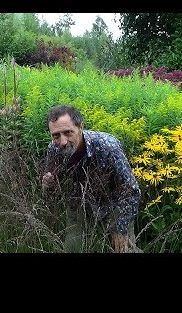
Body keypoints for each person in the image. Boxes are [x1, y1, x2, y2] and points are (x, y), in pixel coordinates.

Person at [41, 104, 142, 253]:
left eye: (68, 132)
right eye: (56, 135)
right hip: (80, 206)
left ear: (81, 127)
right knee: (72, 249)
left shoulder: (108, 146)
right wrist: (48, 186)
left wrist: (120, 229)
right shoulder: (54, 149)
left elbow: (132, 190)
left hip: (114, 205)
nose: (62, 142)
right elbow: (53, 194)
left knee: (124, 250)